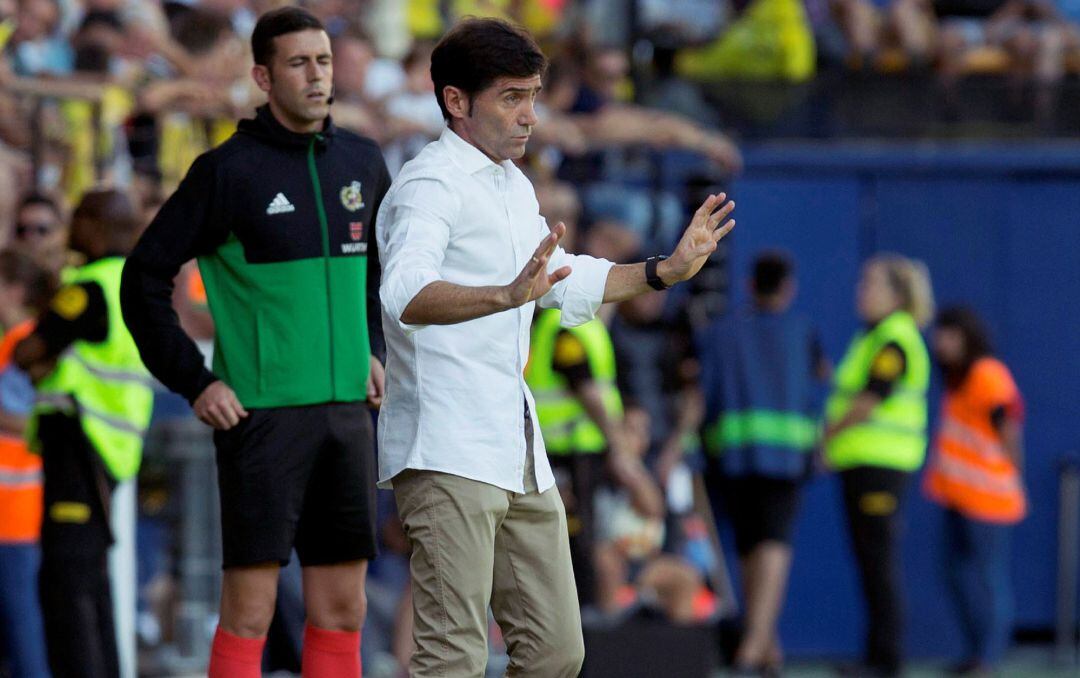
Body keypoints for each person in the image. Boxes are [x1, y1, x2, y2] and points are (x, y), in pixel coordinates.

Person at [375, 17, 735, 677]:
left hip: (517, 451)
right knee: (451, 657)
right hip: (446, 447)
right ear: (456, 101)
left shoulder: (512, 183)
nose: (530, 116)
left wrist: (665, 270)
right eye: (512, 97)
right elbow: (403, 293)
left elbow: (564, 278)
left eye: (535, 96)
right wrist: (504, 296)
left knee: (556, 653)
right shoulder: (428, 185)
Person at [119, 7, 390, 678]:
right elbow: (143, 278)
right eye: (298, 64)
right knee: (249, 612)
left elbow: (380, 274)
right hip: (261, 418)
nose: (316, 75)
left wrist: (376, 349)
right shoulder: (227, 171)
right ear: (263, 77)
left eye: (323, 61)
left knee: (344, 608)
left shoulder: (363, 159)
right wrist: (196, 380)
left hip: (347, 417)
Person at [14, 188, 152, 678]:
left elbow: (27, 352)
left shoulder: (89, 286)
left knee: (67, 584)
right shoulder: (133, 283)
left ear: (94, 225)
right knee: (91, 583)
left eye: (76, 219)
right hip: (111, 450)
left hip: (79, 445)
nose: (71, 230)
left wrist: (40, 354)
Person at [696, 251, 828, 676]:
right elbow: (821, 379)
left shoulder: (720, 333)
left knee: (751, 547)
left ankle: (765, 645)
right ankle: (755, 647)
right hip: (787, 460)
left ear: (750, 285)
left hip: (731, 458)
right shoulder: (803, 331)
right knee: (772, 546)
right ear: (788, 287)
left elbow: (705, 394)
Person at [823, 254, 935, 678]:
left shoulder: (894, 339)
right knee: (871, 562)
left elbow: (870, 399)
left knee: (879, 562)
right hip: (864, 464)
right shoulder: (873, 337)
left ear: (897, 294)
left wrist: (826, 437)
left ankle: (887, 662)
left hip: (881, 467)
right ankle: (876, 657)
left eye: (871, 284)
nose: (861, 291)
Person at [923, 306, 1025, 677]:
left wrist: (1011, 475)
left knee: (988, 580)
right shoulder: (956, 377)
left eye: (948, 335)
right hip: (959, 497)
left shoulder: (987, 374)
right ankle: (975, 654)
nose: (940, 342)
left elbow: (1009, 428)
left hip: (990, 500)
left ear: (966, 337)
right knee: (956, 574)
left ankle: (988, 658)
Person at [0, 249, 54, 678]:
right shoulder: (15, 342)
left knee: (24, 632)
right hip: (13, 513)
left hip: (16, 516)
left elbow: (28, 420)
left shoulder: (26, 342)